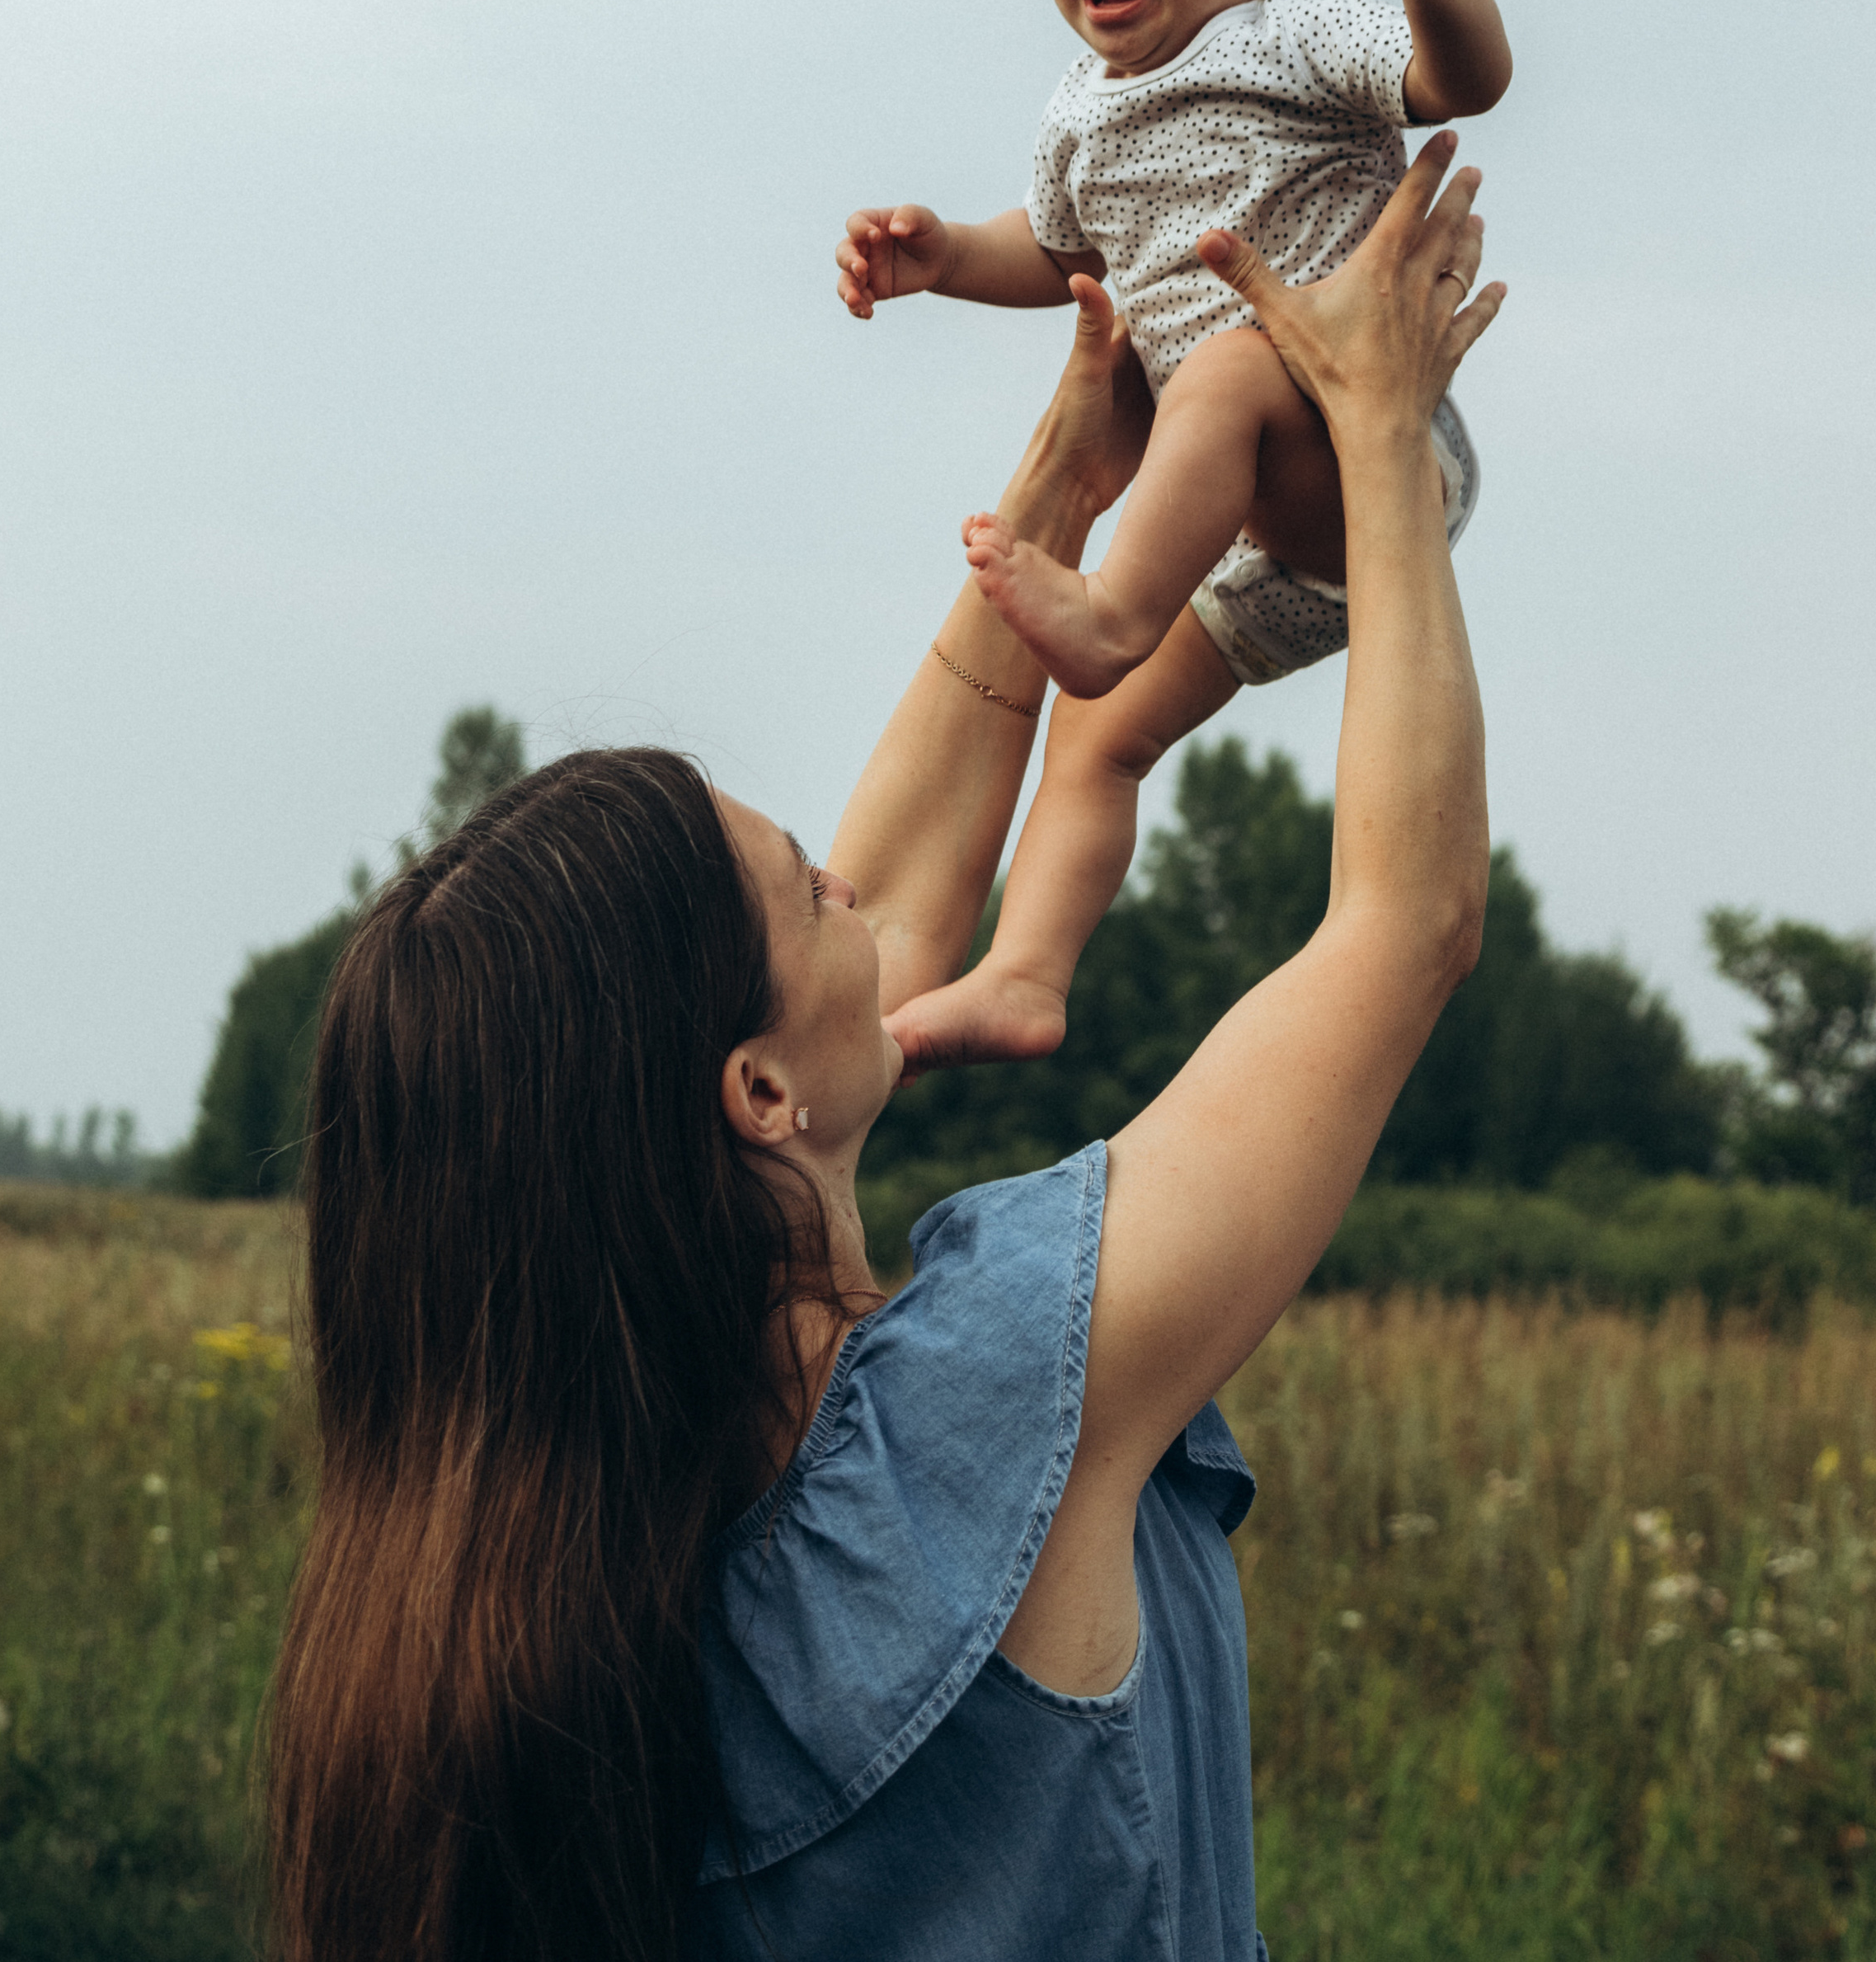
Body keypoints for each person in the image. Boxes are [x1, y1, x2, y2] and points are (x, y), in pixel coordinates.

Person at [266, 131, 1502, 1962]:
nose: (859, 893)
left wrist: (1065, 487)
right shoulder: (991, 1391)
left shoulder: (528, 1594)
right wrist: (1381, 439)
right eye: (809, 897)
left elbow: (907, 914)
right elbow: (1400, 928)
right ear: (756, 1097)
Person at [835, 0, 1510, 1073]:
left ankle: (1110, 612)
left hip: (1354, 438)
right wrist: (945, 261)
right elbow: (1060, 246)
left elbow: (1462, 81)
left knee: (1216, 366)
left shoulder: (1292, 35)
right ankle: (1025, 972)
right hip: (1244, 524)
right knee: (1097, 738)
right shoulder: (1083, 112)